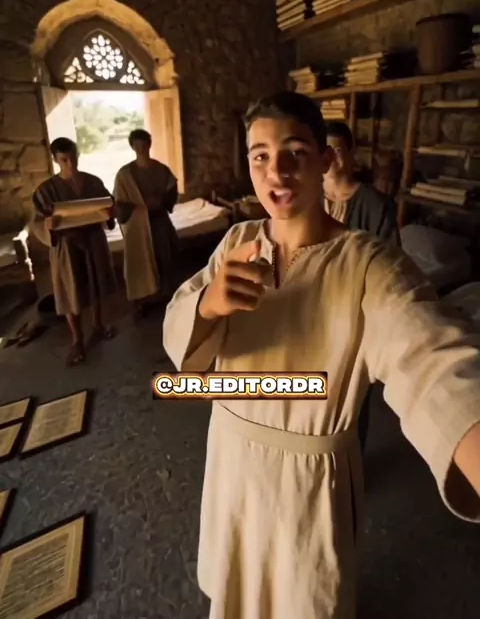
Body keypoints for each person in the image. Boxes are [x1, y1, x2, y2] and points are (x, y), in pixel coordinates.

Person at [163, 92, 480, 619]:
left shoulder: (369, 264)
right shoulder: (238, 240)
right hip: (231, 461)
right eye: (260, 156)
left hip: (307, 484)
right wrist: (208, 305)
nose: (277, 172)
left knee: (303, 597)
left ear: (325, 159)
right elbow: (180, 322)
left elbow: (432, 358)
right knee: (237, 591)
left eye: (295, 152)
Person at [324, 119, 400, 453]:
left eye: (340, 150)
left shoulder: (375, 205)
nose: (334, 158)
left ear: (352, 154)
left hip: (356, 314)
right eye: (327, 150)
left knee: (353, 393)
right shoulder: (306, 199)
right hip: (313, 312)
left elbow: (389, 265)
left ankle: (352, 461)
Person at [30, 137, 117, 366]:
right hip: (66, 246)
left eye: (73, 158)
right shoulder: (46, 191)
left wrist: (110, 214)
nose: (70, 164)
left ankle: (98, 325)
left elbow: (108, 205)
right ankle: (77, 339)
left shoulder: (94, 182)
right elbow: (37, 222)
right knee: (70, 291)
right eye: (64, 160)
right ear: (55, 160)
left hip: (93, 240)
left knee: (95, 284)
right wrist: (46, 226)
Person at [113, 129, 179, 318]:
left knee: (163, 259)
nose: (141, 149)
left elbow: (172, 191)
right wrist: (138, 207)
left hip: (159, 222)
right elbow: (119, 203)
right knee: (140, 264)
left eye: (144, 144)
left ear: (149, 145)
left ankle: (165, 297)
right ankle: (143, 301)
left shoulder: (161, 169)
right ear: (132, 147)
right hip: (137, 226)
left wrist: (161, 200)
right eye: (137, 145)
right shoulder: (124, 174)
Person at [323, 120, 400, 243]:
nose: (331, 158)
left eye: (337, 151)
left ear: (351, 152)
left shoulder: (376, 205)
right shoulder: (309, 197)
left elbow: (391, 252)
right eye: (325, 152)